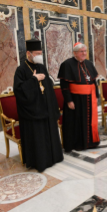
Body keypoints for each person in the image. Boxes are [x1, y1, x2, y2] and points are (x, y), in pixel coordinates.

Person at [14, 39, 63, 172]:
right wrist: (34, 80)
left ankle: (53, 157)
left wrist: (53, 108)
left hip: (46, 110)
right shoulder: (21, 70)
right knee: (38, 139)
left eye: (41, 53)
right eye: (37, 53)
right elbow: (19, 91)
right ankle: (40, 162)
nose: (39, 55)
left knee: (49, 135)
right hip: (33, 113)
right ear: (29, 53)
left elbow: (48, 88)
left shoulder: (41, 67)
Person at [58, 42, 100, 152]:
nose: (84, 53)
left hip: (89, 98)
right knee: (77, 122)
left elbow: (94, 81)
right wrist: (69, 100)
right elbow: (64, 86)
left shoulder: (89, 64)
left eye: (85, 51)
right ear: (75, 53)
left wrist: (96, 95)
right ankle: (78, 144)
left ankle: (90, 142)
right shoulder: (67, 64)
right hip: (76, 99)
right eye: (82, 51)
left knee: (90, 120)